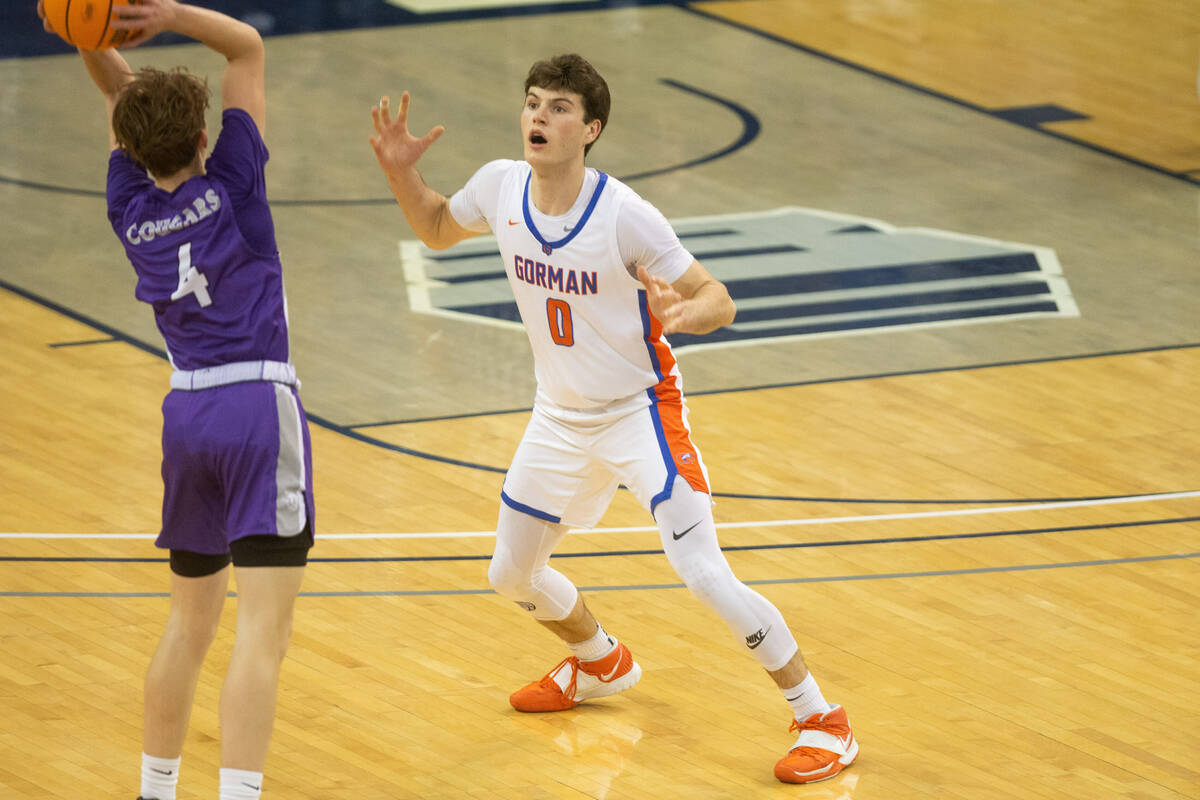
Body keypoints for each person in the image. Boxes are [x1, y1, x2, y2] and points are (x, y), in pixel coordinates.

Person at [369, 53, 857, 783]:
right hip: (558, 416)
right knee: (510, 573)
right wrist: (402, 172)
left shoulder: (625, 214)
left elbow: (717, 293)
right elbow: (438, 226)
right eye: (533, 102)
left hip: (639, 413)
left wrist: (691, 312)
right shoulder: (501, 185)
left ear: (590, 128)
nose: (539, 116)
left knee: (702, 573)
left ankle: (823, 717)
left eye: (559, 107)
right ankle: (599, 661)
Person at [40, 1, 315, 798]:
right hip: (260, 409)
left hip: (186, 415)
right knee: (264, 632)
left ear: (129, 147)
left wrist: (85, 30)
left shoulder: (130, 207)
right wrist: (168, 14)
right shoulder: (237, 186)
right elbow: (248, 48)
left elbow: (122, 103)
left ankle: (155, 790)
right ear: (206, 137)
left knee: (189, 626)